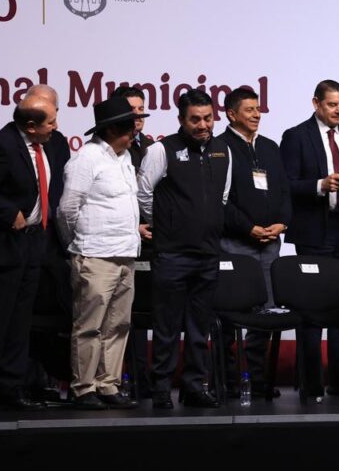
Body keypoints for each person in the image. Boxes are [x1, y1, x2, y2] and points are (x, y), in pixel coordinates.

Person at [0, 90, 69, 411]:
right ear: (31, 126)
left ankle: (10, 388)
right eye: (51, 122)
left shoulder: (44, 145)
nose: (56, 127)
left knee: (20, 322)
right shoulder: (3, 145)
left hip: (33, 244)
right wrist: (9, 212)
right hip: (4, 247)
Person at [138, 90, 232, 409]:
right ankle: (161, 388)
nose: (203, 125)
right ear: (181, 119)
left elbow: (222, 196)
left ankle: (194, 386)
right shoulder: (161, 150)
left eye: (208, 118)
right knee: (166, 326)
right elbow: (143, 193)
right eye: (195, 119)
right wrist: (165, 225)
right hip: (172, 254)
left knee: (198, 327)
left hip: (208, 253)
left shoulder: (223, 150)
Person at [57, 95, 147, 409]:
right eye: (129, 126)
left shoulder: (125, 157)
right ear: (110, 129)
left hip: (125, 254)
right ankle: (84, 388)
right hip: (95, 255)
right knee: (89, 326)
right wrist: (77, 244)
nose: (135, 131)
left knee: (118, 325)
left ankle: (108, 384)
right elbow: (67, 210)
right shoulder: (87, 158)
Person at [280, 79, 339, 398]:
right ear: (316, 103)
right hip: (313, 232)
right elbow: (286, 184)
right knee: (310, 312)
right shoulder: (296, 136)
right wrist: (319, 185)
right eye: (332, 104)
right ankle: (311, 385)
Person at [219, 87, 291, 397]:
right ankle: (229, 380)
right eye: (249, 109)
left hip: (270, 243)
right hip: (236, 244)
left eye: (258, 109)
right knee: (230, 314)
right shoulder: (220, 147)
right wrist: (249, 228)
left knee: (266, 314)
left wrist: (282, 223)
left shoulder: (270, 147)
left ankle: (259, 379)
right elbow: (220, 201)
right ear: (231, 114)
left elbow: (284, 191)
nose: (256, 114)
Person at [115, 85, 155, 399]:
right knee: (119, 316)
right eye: (132, 109)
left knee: (143, 311)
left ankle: (143, 379)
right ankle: (118, 380)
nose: (138, 116)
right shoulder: (109, 149)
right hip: (119, 242)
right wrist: (133, 226)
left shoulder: (153, 148)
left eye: (142, 109)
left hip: (152, 243)